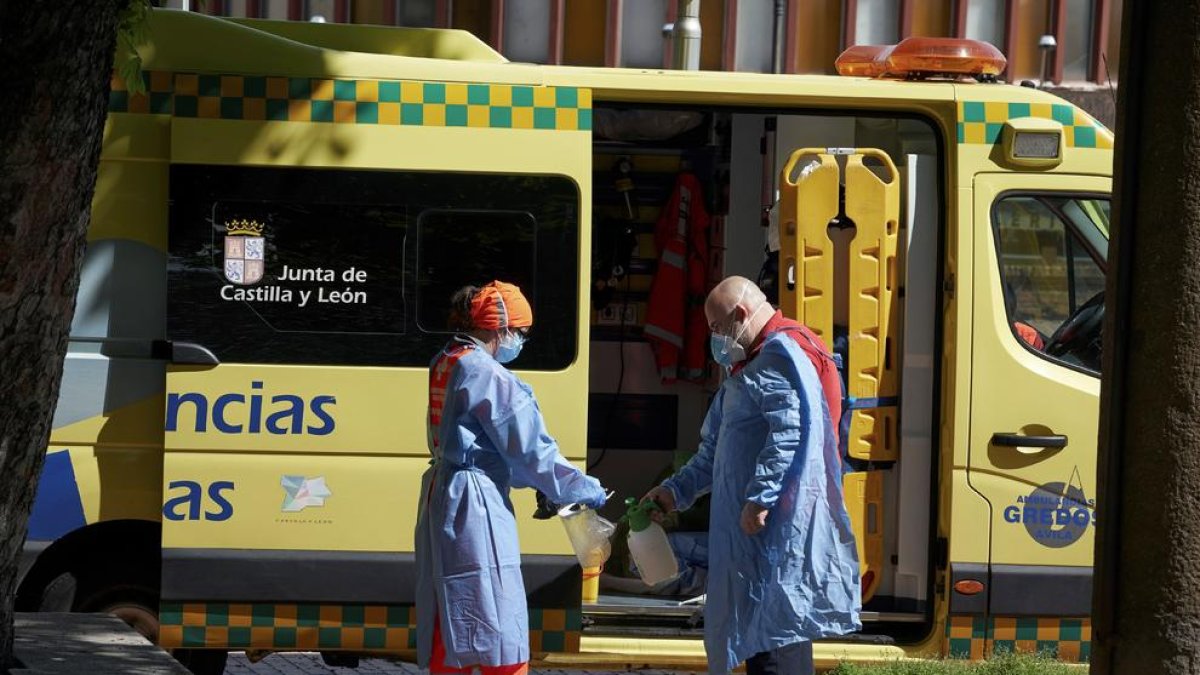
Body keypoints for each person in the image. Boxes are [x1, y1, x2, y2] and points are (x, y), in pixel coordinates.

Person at [644, 276, 861, 675]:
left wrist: (761, 497)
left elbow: (790, 430)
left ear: (741, 315)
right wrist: (674, 492)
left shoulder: (778, 354)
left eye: (715, 329)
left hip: (772, 535)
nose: (714, 340)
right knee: (764, 640)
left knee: (776, 641)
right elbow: (716, 450)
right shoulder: (748, 366)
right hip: (754, 540)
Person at [415, 280, 608, 675]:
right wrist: (585, 489)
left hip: (446, 494)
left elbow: (494, 445)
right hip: (476, 505)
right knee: (495, 612)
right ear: (498, 328)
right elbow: (533, 452)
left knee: (450, 608)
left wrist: (536, 481)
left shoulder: (448, 357)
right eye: (520, 332)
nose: (521, 340)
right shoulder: (488, 374)